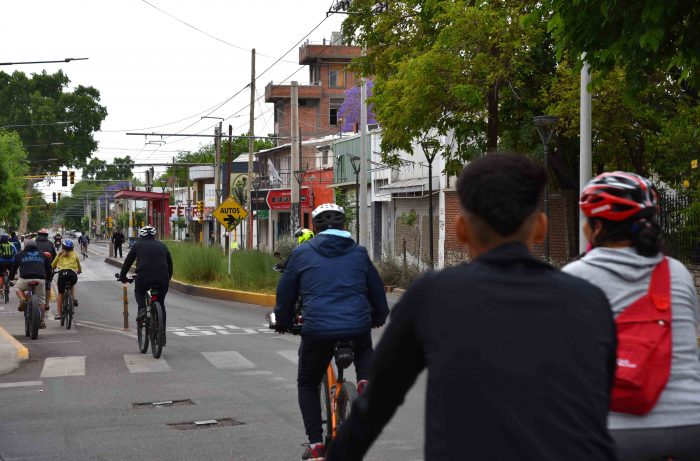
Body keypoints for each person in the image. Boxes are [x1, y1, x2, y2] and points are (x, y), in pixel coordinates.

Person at [327, 154, 618, 461]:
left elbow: (375, 406)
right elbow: (598, 403)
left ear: (461, 229)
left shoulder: (432, 297)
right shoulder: (590, 299)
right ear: (541, 228)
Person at [562, 171, 700, 461]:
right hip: (692, 424)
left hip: (616, 431)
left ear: (595, 227)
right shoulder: (678, 273)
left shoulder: (575, 277)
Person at [275, 203, 389, 461]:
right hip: (356, 326)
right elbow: (377, 290)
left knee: (307, 382)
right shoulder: (359, 252)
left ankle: (316, 445)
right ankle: (364, 383)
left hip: (317, 330)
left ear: (314, 228)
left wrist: (282, 321)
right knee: (363, 346)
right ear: (344, 226)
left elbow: (285, 292)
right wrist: (378, 317)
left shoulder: (302, 253)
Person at [118, 226, 173, 342]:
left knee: (139, 291)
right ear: (154, 235)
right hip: (162, 278)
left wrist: (122, 276)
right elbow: (170, 264)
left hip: (143, 277)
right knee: (161, 303)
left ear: (141, 236)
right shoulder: (162, 246)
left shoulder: (137, 245)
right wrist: (168, 277)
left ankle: (142, 309)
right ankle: (162, 334)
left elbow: (128, 261)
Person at [9, 238, 52, 329]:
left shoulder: (19, 255)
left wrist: (11, 278)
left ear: (25, 246)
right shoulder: (43, 255)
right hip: (40, 279)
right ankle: (41, 320)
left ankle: (22, 299)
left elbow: (13, 269)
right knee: (41, 301)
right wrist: (48, 278)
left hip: (25, 279)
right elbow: (48, 269)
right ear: (35, 245)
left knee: (17, 288)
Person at [51, 239, 81, 320]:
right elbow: (79, 265)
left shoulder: (60, 254)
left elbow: (53, 265)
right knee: (72, 285)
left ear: (63, 247)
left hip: (62, 274)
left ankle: (59, 314)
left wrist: (53, 267)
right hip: (72, 275)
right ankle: (74, 298)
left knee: (60, 293)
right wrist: (79, 271)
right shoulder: (75, 254)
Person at [35, 229, 56, 314]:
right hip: (47, 268)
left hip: (35, 267)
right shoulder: (50, 244)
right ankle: (47, 304)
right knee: (48, 284)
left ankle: (31, 298)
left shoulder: (34, 243)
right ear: (46, 236)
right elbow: (54, 256)